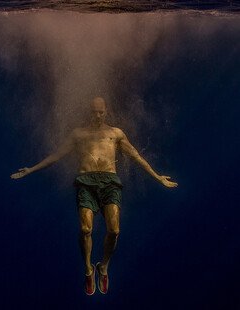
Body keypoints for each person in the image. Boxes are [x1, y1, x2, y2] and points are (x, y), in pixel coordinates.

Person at [10, 97, 178, 295]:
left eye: (101, 111)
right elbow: (56, 156)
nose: (98, 115)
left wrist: (158, 177)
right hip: (86, 181)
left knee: (114, 230)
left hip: (110, 181)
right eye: (94, 111)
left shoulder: (116, 133)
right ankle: (89, 269)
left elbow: (135, 156)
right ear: (89, 112)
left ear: (106, 111)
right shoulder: (78, 134)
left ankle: (103, 267)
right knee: (85, 228)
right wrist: (31, 169)